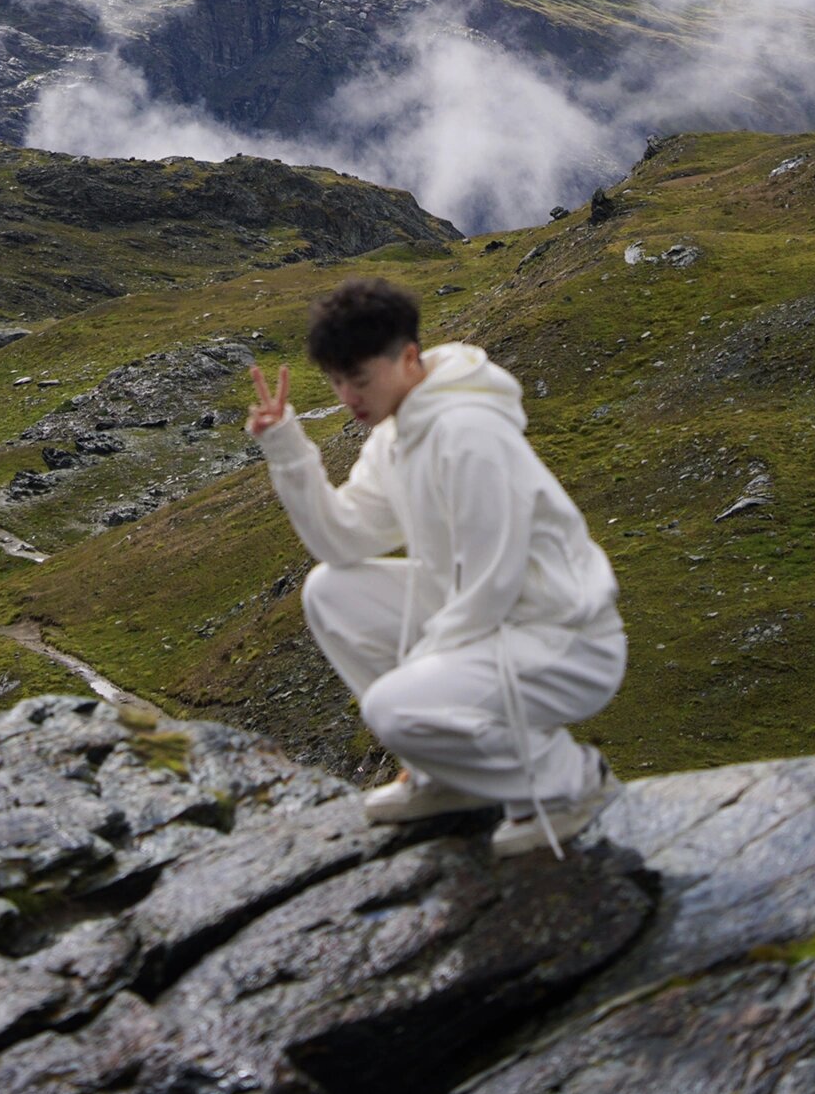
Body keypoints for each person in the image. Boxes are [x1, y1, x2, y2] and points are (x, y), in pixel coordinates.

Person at [246, 274, 625, 854]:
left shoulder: (468, 434)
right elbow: (344, 541)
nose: (348, 397)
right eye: (338, 380)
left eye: (361, 379)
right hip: (493, 623)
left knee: (393, 706)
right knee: (330, 591)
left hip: (563, 640)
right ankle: (447, 777)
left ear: (409, 357)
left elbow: (491, 583)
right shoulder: (397, 435)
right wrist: (288, 449)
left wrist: (412, 680)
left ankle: (571, 782)